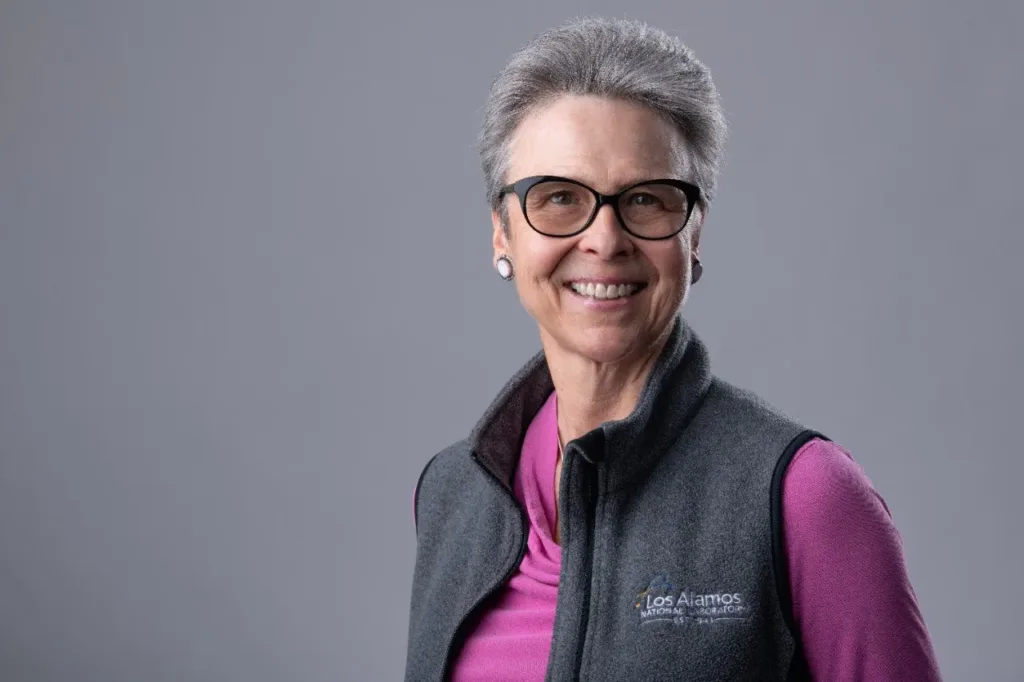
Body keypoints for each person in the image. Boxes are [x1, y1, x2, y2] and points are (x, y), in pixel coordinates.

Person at [404, 17, 942, 682]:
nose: (605, 239)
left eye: (647, 200)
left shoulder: (806, 497)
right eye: (560, 197)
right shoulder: (452, 495)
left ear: (694, 234)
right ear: (501, 233)